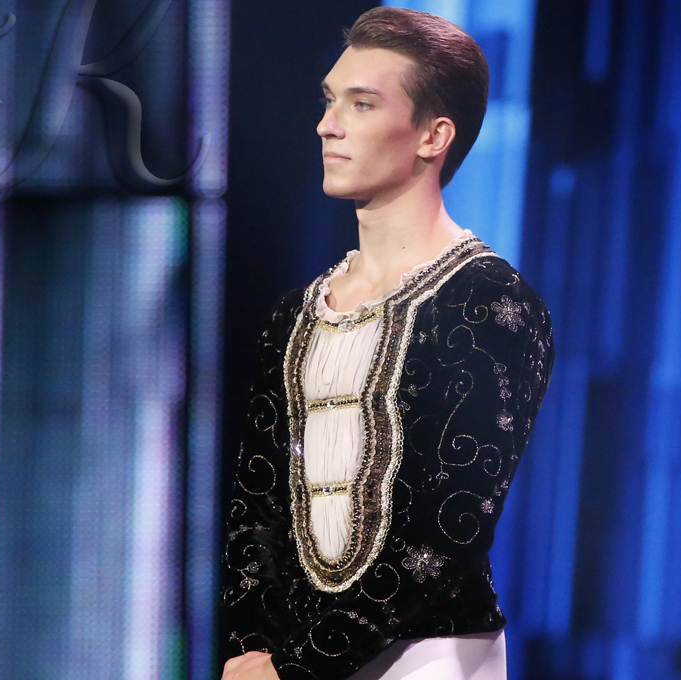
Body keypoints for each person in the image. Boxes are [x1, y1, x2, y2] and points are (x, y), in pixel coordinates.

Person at [219, 8, 553, 680]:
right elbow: (256, 501)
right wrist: (250, 649)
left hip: (429, 657)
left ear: (434, 135)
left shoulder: (489, 303)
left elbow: (449, 529)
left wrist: (297, 666)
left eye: (362, 103)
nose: (328, 124)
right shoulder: (294, 314)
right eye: (329, 100)